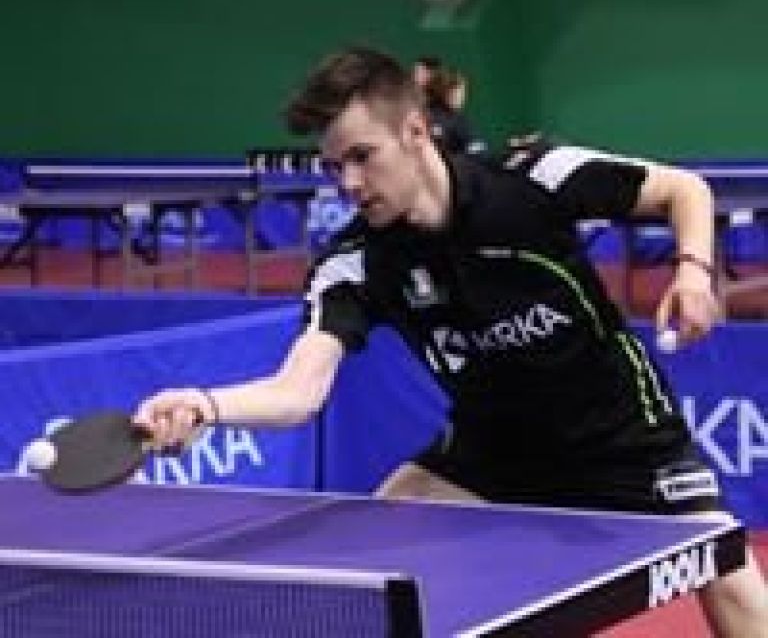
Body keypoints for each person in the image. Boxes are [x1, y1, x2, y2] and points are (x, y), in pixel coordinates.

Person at [134, 47, 768, 636]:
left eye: (362, 157)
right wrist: (205, 405)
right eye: (332, 167)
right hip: (493, 451)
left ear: (416, 131)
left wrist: (693, 272)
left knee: (728, 569)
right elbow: (298, 391)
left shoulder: (533, 178)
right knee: (381, 537)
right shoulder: (357, 264)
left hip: (621, 439)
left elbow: (684, 189)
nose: (347, 183)